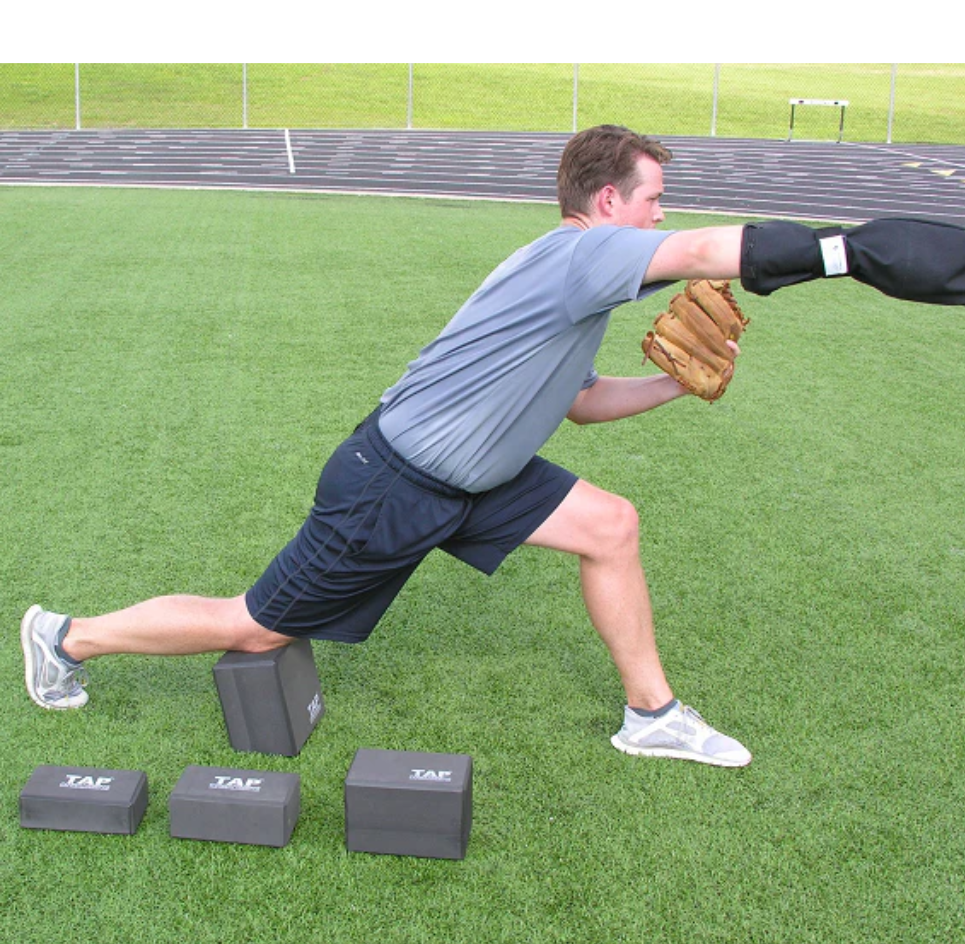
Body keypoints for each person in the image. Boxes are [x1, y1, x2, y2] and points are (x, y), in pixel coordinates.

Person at [22, 123, 761, 767]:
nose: (662, 214)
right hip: (395, 484)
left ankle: (652, 715)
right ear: (607, 204)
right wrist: (843, 254)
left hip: (475, 476)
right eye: (652, 199)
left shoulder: (576, 277)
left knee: (610, 524)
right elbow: (700, 250)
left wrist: (673, 385)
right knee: (251, 625)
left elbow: (582, 404)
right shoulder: (582, 257)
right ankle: (67, 639)